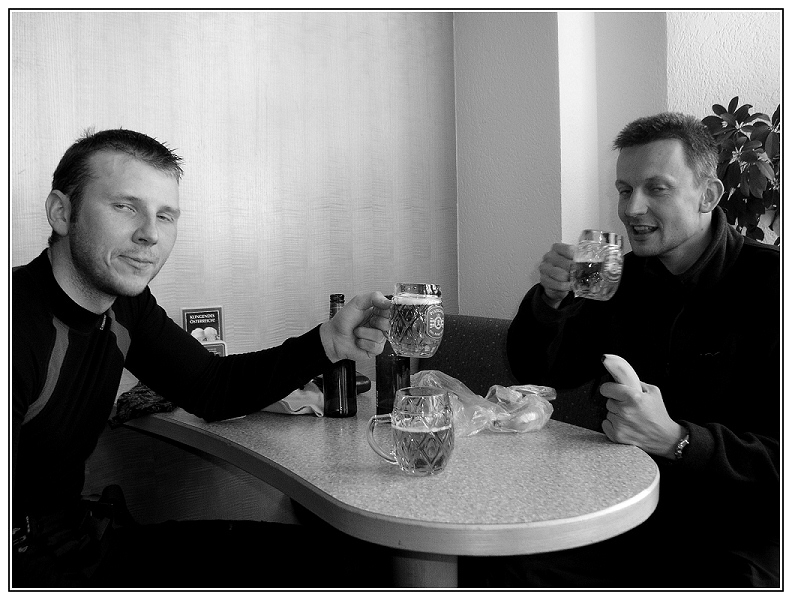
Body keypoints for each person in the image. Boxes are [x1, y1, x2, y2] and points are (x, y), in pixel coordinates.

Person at [12, 128, 394, 588]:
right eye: (125, 207)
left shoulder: (125, 306)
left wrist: (327, 343)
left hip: (84, 544)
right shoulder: (17, 326)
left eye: (165, 215)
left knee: (354, 566)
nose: (150, 234)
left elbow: (213, 387)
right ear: (61, 212)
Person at [466, 113, 779, 588]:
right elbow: (542, 372)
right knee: (501, 565)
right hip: (624, 511)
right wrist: (550, 303)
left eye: (657, 188)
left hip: (741, 533)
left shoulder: (772, 285)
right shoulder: (618, 277)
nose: (632, 208)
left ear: (709, 195)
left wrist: (678, 440)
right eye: (624, 189)